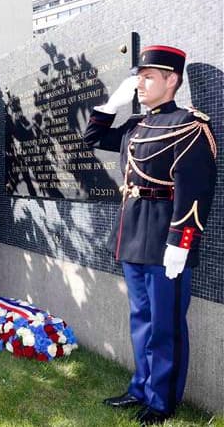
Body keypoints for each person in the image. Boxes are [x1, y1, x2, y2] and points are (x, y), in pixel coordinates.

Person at [83, 45, 217, 425]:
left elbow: (196, 188)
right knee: (141, 317)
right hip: (133, 234)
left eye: (148, 77)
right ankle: (140, 386)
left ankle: (163, 401)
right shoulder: (136, 125)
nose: (140, 84)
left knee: (166, 324)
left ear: (171, 80)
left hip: (166, 240)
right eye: (138, 77)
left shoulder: (190, 125)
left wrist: (182, 241)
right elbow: (92, 138)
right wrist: (112, 104)